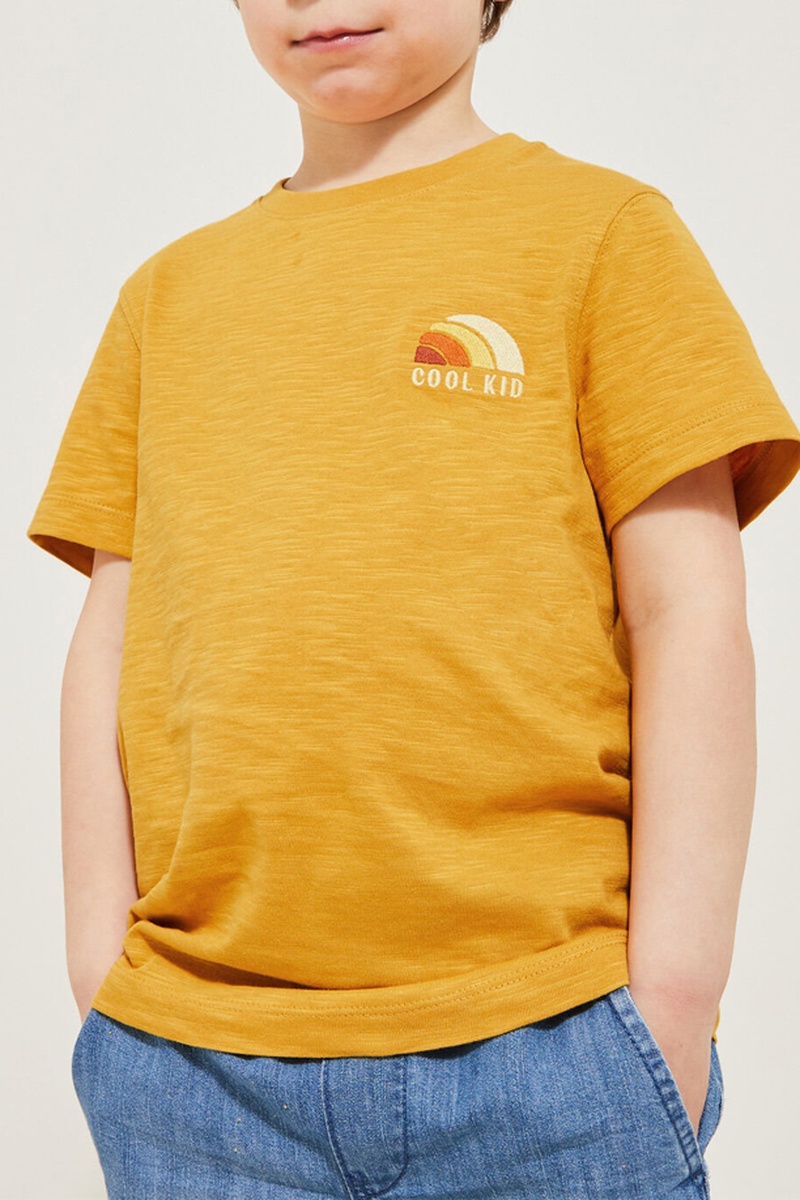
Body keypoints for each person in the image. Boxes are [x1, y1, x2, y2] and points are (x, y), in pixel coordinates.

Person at [28, 0, 800, 1196]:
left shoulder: (602, 235)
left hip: (549, 1040)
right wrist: (98, 966)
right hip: (196, 1065)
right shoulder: (165, 296)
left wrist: (675, 994)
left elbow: (686, 615)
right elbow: (111, 636)